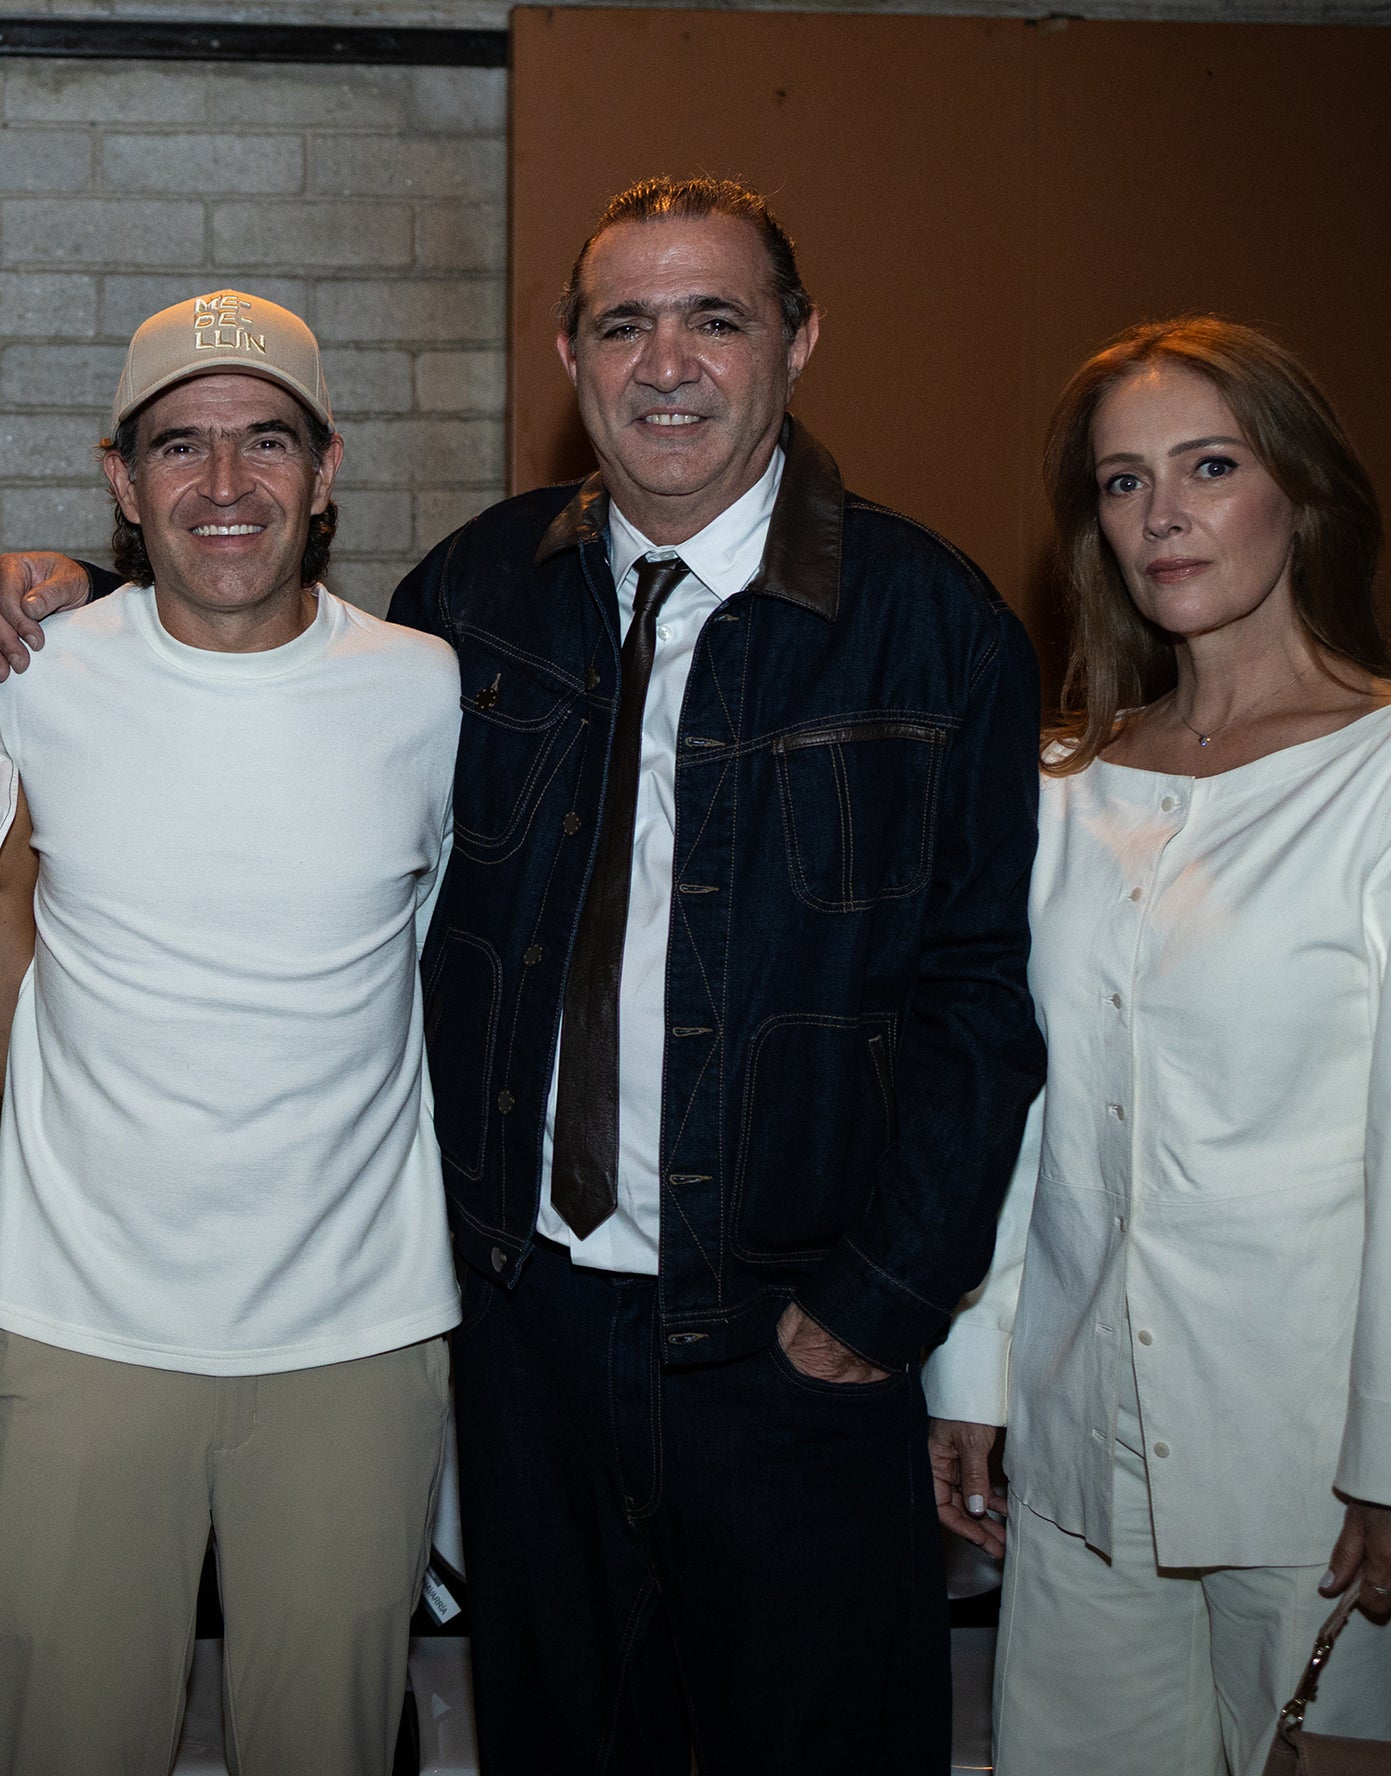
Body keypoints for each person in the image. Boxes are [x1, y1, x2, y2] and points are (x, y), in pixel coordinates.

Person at [0, 180, 1047, 1774]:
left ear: (799, 342)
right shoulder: (476, 606)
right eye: (626, 322)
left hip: (778, 1336)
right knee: (553, 1739)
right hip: (522, 1328)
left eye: (717, 317)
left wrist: (881, 1306)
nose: (669, 362)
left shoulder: (925, 624)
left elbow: (978, 990)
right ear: (571, 355)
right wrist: (54, 583)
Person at [924, 315, 1391, 1775]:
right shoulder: (1068, 782)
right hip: (1075, 1467)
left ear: (1297, 493)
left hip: (1321, 1482)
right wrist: (975, 1378)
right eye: (1122, 482)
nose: (1162, 513)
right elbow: (1022, 1111)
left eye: (1208, 465)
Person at [0, 290, 461, 1776]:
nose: (224, 485)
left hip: (355, 1335)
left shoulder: (427, 687)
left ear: (327, 470)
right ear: (121, 482)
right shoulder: (35, 673)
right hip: (74, 1329)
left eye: (266, 441)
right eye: (179, 446)